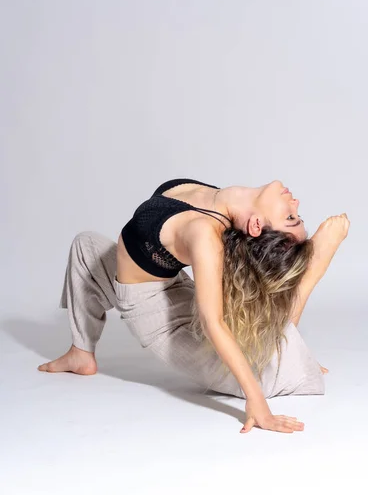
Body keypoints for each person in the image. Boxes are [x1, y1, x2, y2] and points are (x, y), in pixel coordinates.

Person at [38, 178, 350, 434]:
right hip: (166, 287)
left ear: (256, 225)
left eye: (291, 217)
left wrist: (258, 405)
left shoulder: (205, 232)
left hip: (162, 320)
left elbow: (213, 322)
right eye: (294, 216)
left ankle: (309, 279)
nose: (295, 203)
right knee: (86, 245)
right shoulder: (221, 201)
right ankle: (81, 352)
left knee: (271, 373)